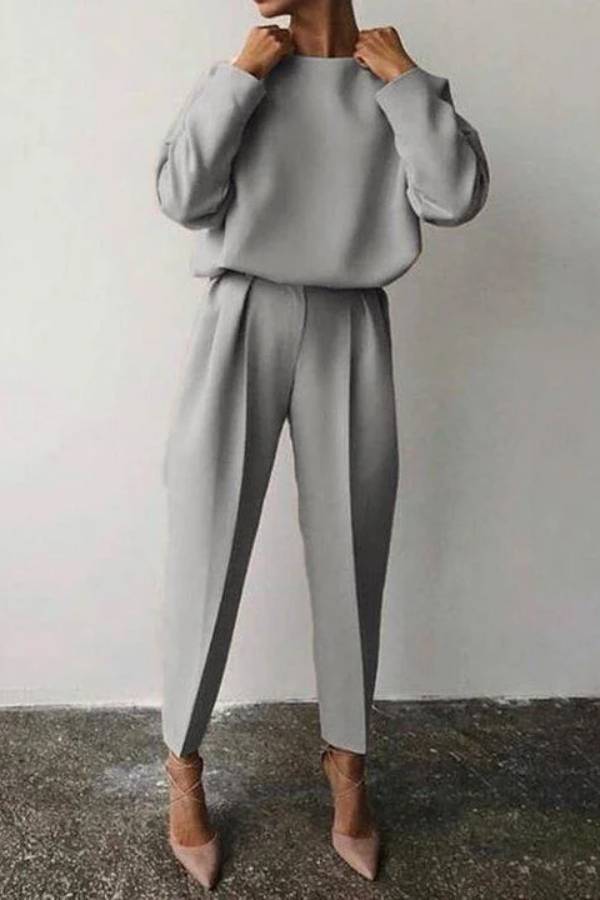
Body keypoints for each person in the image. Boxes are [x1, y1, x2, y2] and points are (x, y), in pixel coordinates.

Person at [154, 0, 489, 888]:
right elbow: (182, 197)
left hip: (350, 319)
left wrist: (407, 83)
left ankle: (348, 768)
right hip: (240, 314)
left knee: (352, 545)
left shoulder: (392, 79)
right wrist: (238, 78)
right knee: (205, 540)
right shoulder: (245, 73)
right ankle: (183, 766)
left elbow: (453, 197)